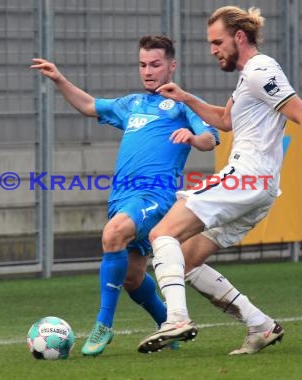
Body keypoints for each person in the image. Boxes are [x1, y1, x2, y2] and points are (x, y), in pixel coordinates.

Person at [137, 6, 302, 355]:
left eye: (217, 42)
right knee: (189, 260)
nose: (213, 50)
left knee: (162, 234)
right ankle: (261, 326)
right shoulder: (247, 78)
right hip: (259, 187)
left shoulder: (260, 70)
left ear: (239, 37)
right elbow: (225, 120)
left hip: (246, 177)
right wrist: (187, 98)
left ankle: (176, 318)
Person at [31, 36, 219, 357]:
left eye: (156, 64)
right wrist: (60, 79)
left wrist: (193, 136)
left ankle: (103, 325)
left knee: (113, 233)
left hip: (154, 196)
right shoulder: (132, 104)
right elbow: (90, 105)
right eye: (143, 65)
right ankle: (169, 327)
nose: (148, 71)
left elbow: (210, 138)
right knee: (132, 277)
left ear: (172, 66)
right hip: (122, 197)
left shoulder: (182, 104)